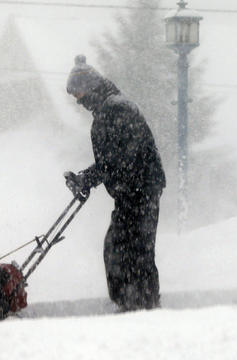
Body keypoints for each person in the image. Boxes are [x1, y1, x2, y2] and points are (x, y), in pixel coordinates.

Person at [64, 54, 166, 311]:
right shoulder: (108, 109)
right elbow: (114, 160)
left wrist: (89, 178)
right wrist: (86, 178)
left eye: (78, 94)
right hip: (132, 190)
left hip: (140, 190)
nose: (78, 101)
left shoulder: (117, 108)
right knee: (125, 248)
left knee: (132, 250)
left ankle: (140, 305)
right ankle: (134, 303)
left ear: (89, 87)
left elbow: (121, 158)